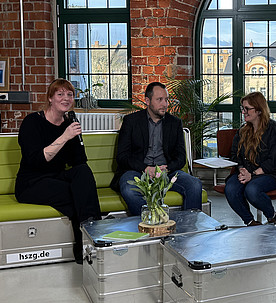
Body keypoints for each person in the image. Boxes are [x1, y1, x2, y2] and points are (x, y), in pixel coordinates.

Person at [15, 78, 101, 264]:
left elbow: (79, 162)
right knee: (76, 194)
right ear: (50, 99)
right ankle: (89, 239)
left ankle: (91, 234)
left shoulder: (68, 123)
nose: (66, 98)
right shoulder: (32, 122)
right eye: (60, 94)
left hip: (56, 177)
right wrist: (65, 136)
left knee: (83, 173)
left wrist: (76, 137)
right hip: (32, 182)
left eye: (70, 94)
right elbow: (37, 160)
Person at [112, 82, 202, 216]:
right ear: (147, 101)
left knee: (194, 185)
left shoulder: (174, 123)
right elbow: (122, 156)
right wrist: (145, 168)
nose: (165, 104)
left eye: (166, 99)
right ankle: (152, 224)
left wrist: (166, 168)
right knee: (129, 190)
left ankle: (187, 230)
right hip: (137, 171)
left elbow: (181, 157)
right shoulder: (131, 121)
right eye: (159, 100)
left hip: (166, 172)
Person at [225, 92, 276, 226]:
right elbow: (235, 155)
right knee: (230, 189)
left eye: (247, 109)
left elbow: (275, 161)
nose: (243, 112)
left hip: (269, 174)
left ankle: (273, 216)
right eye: (243, 108)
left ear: (259, 110)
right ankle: (250, 222)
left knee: (251, 190)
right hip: (246, 173)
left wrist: (251, 175)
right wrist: (242, 169)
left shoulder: (275, 130)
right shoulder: (243, 130)